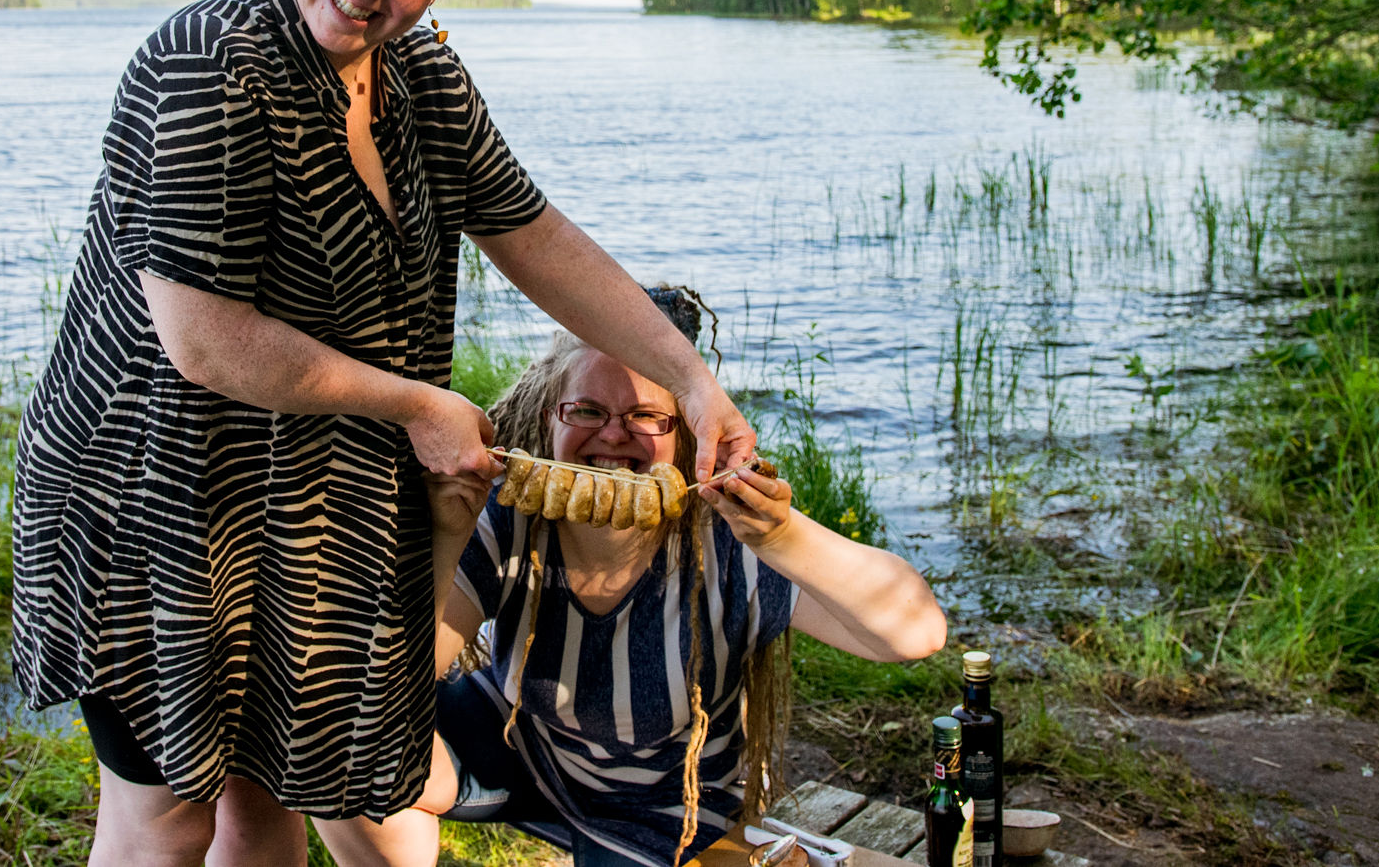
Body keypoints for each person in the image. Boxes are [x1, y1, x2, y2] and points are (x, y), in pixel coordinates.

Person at [9, 0, 759, 867]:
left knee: (271, 796)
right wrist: (413, 403)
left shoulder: (421, 75)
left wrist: (689, 379)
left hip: (307, 507)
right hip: (159, 504)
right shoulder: (207, 62)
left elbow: (531, 235)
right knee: (166, 814)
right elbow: (201, 336)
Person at [319, 299, 948, 867]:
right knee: (330, 744)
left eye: (647, 416)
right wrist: (450, 534)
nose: (614, 434)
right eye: (588, 410)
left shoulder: (728, 541)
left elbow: (915, 633)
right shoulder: (512, 517)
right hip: (522, 747)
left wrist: (783, 538)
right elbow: (399, 680)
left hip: (662, 812)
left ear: (685, 438)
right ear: (550, 418)